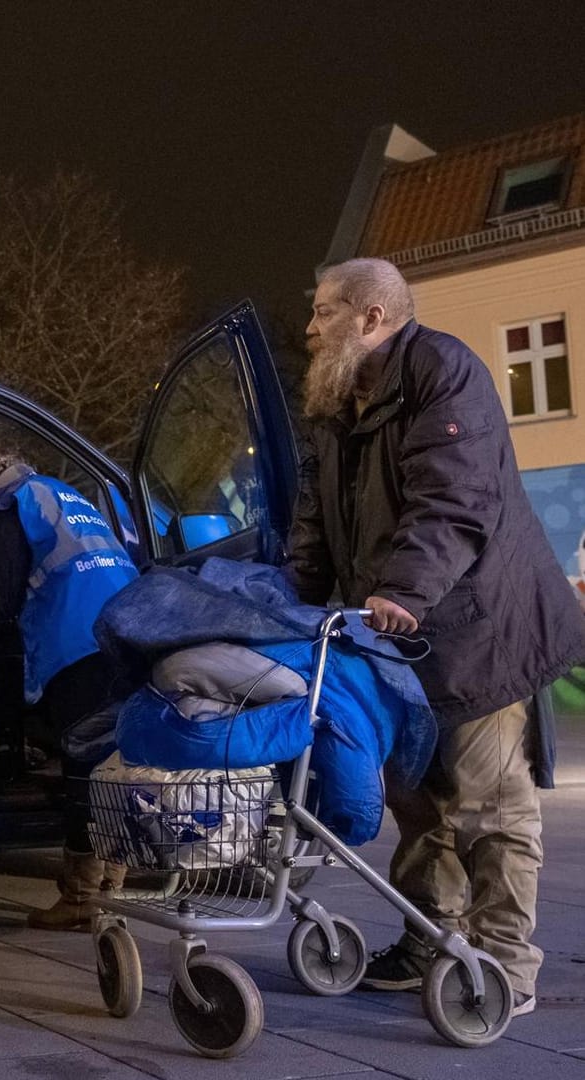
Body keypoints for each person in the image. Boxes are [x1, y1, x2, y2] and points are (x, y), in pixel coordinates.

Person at [287, 257, 585, 1016]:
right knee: (416, 802)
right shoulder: (334, 402)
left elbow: (455, 499)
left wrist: (401, 592)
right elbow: (314, 518)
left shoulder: (444, 371)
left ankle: (504, 961)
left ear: (372, 318)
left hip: (478, 627)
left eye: (325, 313)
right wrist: (293, 603)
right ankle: (432, 937)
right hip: (394, 641)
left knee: (489, 804)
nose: (310, 328)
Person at [0, 447, 138, 930]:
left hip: (79, 644)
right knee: (115, 765)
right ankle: (112, 888)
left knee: (81, 767)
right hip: (129, 634)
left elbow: (3, 596)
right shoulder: (62, 493)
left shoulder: (9, 506)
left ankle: (80, 899)